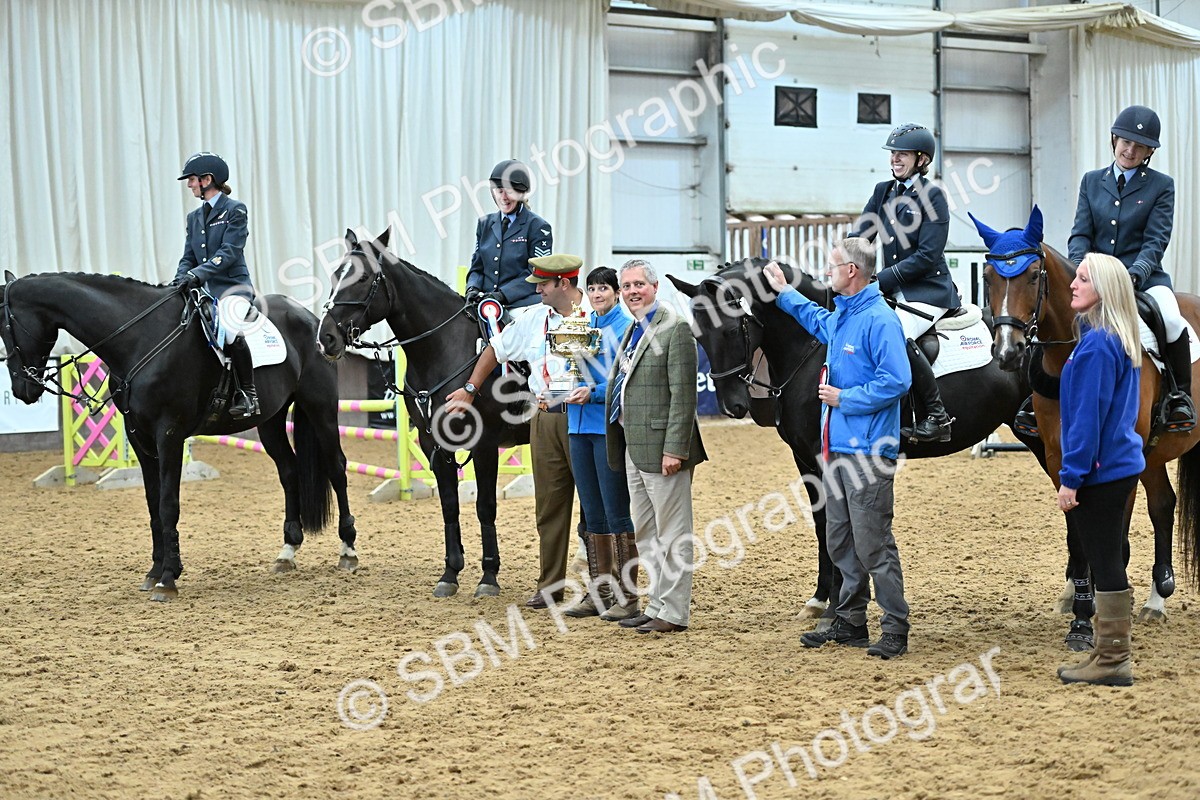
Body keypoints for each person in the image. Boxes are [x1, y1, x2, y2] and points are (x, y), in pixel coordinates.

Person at [764, 238, 913, 659]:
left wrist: (844, 399)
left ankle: (895, 627)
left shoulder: (880, 320)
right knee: (840, 540)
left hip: (867, 454)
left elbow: (896, 381)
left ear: (852, 271)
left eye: (831, 267)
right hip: (837, 451)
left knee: (873, 544)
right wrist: (785, 293)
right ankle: (850, 622)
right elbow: (816, 319)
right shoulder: (845, 316)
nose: (827, 273)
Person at [446, 254, 590, 609]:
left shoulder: (592, 317)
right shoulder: (532, 318)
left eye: (542, 283)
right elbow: (495, 349)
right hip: (544, 416)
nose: (536, 289)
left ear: (564, 284)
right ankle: (550, 584)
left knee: (594, 506)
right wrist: (470, 389)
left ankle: (599, 586)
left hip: (585, 415)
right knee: (549, 506)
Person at [1068, 105, 1193, 431]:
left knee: (1170, 318)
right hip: (1095, 277)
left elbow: (1155, 241)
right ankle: (1036, 394)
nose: (1130, 150)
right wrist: (1083, 270)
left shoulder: (1161, 185)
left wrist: (1133, 274)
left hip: (1145, 278)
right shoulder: (1092, 181)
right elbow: (1080, 233)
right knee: (1056, 315)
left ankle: (1180, 397)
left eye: (1139, 146)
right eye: (1125, 142)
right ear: (1114, 139)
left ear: (1149, 151)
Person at [1056, 253, 1145, 687]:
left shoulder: (1095, 345)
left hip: (1100, 471)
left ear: (1103, 290)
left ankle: (1113, 661)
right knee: (1107, 559)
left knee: (1105, 562)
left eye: (1083, 278)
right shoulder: (1112, 337)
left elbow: (1087, 419)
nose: (1073, 283)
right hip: (1117, 465)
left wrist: (1071, 477)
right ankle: (1108, 653)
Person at [605, 259, 706, 634]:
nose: (632, 291)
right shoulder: (634, 330)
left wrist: (675, 449)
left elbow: (683, 396)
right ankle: (657, 604)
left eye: (638, 284)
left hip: (664, 449)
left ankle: (674, 612)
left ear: (654, 286)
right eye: (627, 285)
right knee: (647, 534)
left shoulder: (675, 328)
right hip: (634, 446)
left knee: (673, 533)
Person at [850, 123, 958, 443]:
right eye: (893, 153)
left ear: (922, 160)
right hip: (894, 290)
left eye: (903, 154)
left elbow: (926, 256)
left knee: (896, 332)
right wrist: (843, 266)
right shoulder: (883, 191)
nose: (895, 159)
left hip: (928, 291)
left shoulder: (933, 196)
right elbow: (861, 237)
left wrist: (878, 280)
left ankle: (936, 418)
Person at [562, 267, 637, 620]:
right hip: (577, 427)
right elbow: (569, 368)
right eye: (591, 288)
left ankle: (627, 595)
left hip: (606, 427)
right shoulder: (581, 324)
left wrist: (592, 393)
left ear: (615, 293)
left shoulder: (625, 328)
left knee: (615, 511)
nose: (597, 294)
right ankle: (598, 592)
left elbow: (626, 381)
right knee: (591, 513)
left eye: (603, 288)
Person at [174, 151, 258, 418]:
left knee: (231, 330)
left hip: (232, 288)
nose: (189, 185)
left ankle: (248, 394)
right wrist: (179, 280)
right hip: (202, 289)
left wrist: (197, 274)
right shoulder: (194, 218)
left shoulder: (236, 210)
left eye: (192, 179)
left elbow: (230, 251)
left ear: (207, 180)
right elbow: (188, 256)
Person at [465, 159, 553, 314]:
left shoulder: (538, 227)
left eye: (509, 192)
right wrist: (472, 288)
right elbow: (477, 268)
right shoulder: (484, 224)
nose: (504, 197)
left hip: (521, 306)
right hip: (485, 304)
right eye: (499, 191)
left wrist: (502, 295)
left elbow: (536, 273)